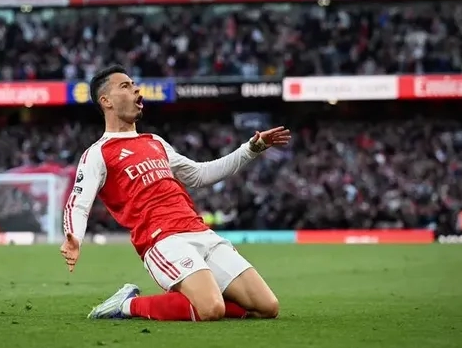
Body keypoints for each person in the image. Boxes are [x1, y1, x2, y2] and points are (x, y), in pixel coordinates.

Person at [61, 65, 291, 322]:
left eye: (134, 84)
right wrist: (74, 237)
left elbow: (200, 174)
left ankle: (200, 298)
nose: (136, 89)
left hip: (200, 232)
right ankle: (127, 305)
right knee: (211, 309)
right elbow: (78, 203)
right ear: (106, 101)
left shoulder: (155, 142)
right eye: (125, 86)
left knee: (267, 307)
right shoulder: (98, 153)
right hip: (163, 240)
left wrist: (251, 149)